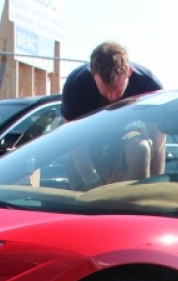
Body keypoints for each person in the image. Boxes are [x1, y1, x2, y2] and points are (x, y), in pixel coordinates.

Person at [62, 42, 166, 184]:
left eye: (118, 91)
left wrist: (155, 188)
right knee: (81, 181)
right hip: (87, 144)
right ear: (93, 75)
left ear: (129, 72)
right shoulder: (76, 85)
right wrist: (94, 187)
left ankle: (135, 199)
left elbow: (158, 147)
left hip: (127, 140)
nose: (112, 98)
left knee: (140, 149)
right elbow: (75, 142)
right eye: (105, 92)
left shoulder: (150, 86)